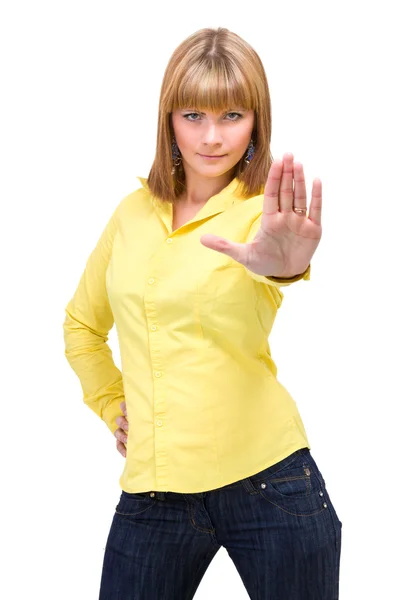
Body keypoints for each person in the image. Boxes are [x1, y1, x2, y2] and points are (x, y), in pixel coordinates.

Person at [63, 26, 342, 600]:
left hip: (271, 483)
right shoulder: (132, 214)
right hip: (155, 492)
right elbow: (82, 327)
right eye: (193, 115)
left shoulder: (261, 218)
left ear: (257, 121)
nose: (212, 137)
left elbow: (276, 266)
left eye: (233, 115)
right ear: (168, 118)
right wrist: (112, 403)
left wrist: (284, 264)